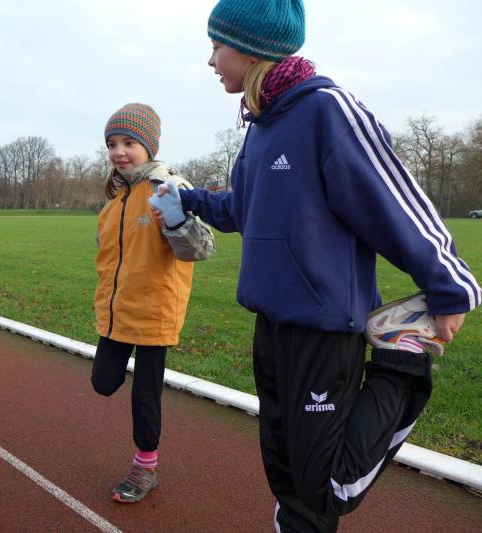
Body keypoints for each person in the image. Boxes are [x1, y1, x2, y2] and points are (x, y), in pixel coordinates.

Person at [149, 1, 481, 530]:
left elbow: (394, 202)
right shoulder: (260, 128)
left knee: (328, 486)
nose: (210, 61)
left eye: (216, 46)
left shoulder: (328, 110)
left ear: (250, 48)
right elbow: (244, 209)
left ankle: (402, 360)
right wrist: (188, 200)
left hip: (323, 331)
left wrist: (450, 286)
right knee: (283, 472)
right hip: (270, 326)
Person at [93, 103, 214, 503]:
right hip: (117, 310)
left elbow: (202, 249)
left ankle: (145, 468)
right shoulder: (114, 198)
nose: (119, 152)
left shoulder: (169, 187)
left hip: (156, 310)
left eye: (128, 143)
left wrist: (176, 223)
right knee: (103, 383)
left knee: (145, 394)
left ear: (149, 146)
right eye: (112, 144)